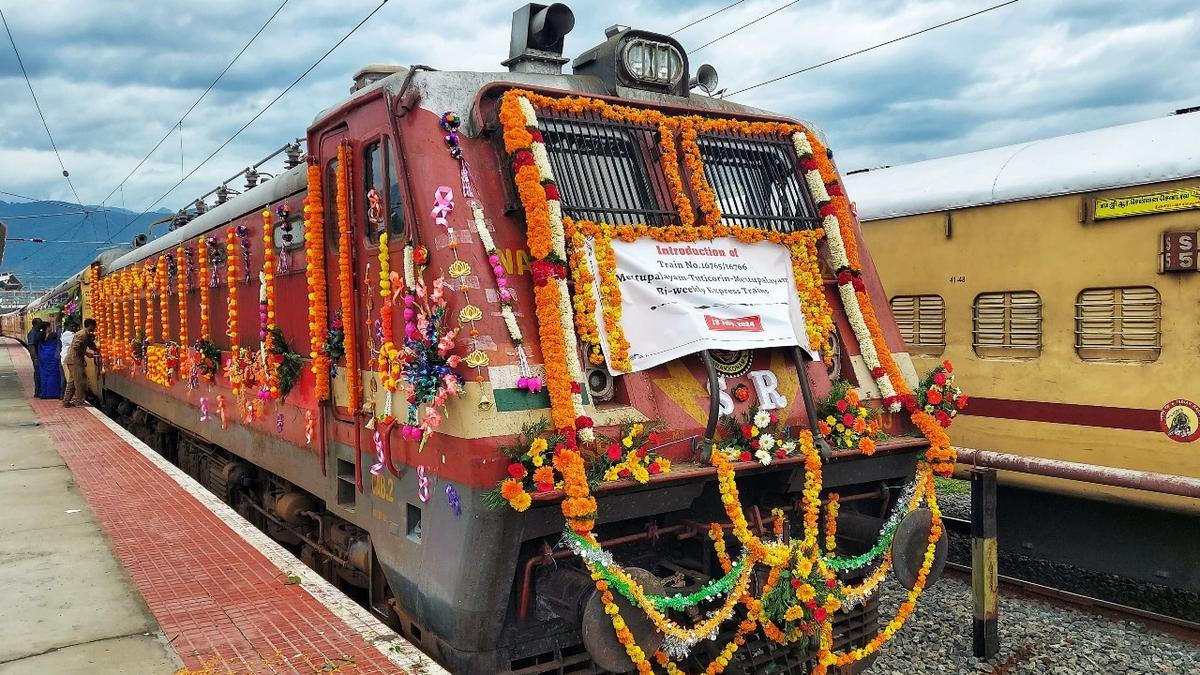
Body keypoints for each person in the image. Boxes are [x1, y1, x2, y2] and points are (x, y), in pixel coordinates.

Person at [64, 318, 100, 408]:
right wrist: (84, 355)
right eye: (94, 326)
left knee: (72, 381)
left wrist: (93, 352)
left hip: (72, 360)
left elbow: (91, 345)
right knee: (80, 381)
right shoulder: (82, 335)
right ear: (90, 325)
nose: (95, 328)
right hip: (75, 360)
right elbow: (76, 347)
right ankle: (79, 401)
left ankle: (66, 401)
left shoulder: (85, 334)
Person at [37, 321, 62, 399]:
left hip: (43, 357)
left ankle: (45, 393)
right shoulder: (53, 335)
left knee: (44, 375)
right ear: (47, 327)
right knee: (54, 374)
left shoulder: (39, 335)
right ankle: (53, 393)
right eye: (50, 326)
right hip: (52, 357)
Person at [26, 318, 46, 397]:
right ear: (36, 324)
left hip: (39, 356)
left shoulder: (37, 332)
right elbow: (32, 347)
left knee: (39, 374)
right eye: (40, 323)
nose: (41, 324)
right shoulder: (33, 333)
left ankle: (39, 391)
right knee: (38, 374)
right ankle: (37, 392)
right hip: (36, 357)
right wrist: (35, 359)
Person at [59, 319, 76, 400]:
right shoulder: (67, 335)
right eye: (72, 326)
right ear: (67, 327)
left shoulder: (69, 334)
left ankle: (68, 398)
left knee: (70, 379)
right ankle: (66, 399)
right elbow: (76, 342)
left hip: (68, 360)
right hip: (67, 360)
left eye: (74, 326)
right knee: (70, 380)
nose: (74, 328)